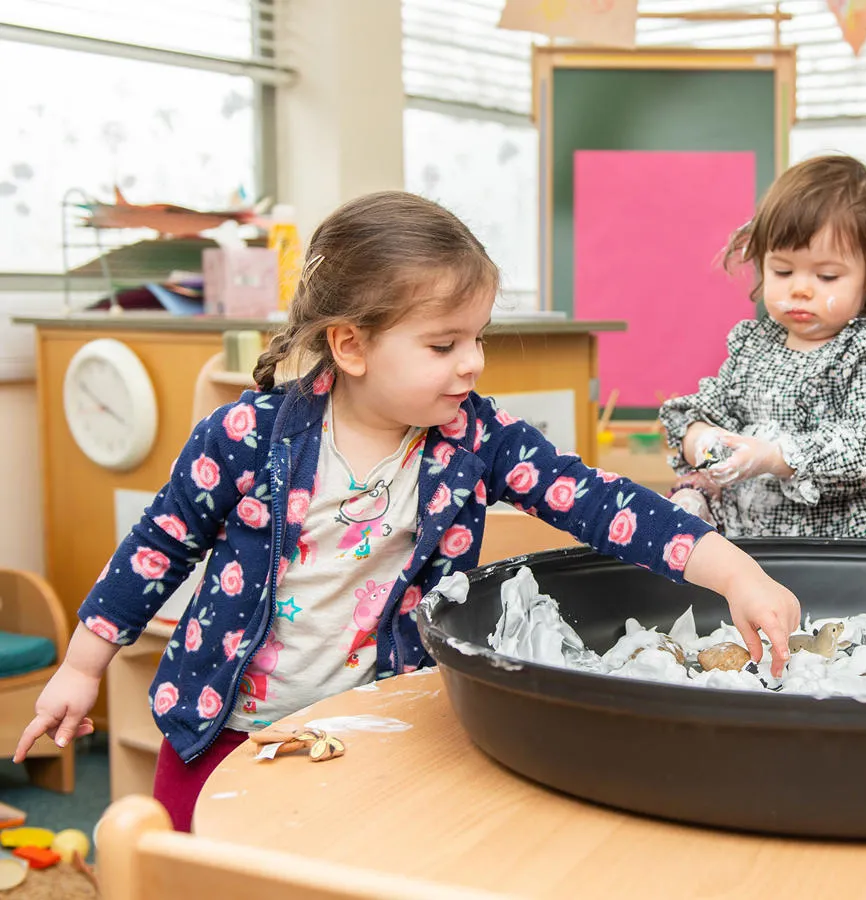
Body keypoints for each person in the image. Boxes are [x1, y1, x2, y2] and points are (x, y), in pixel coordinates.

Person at [12, 192, 800, 830]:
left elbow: (604, 504)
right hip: (218, 729)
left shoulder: (476, 439)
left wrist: (734, 573)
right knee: (196, 876)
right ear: (350, 346)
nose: (474, 362)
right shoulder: (246, 436)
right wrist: (84, 664)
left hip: (374, 733)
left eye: (478, 338)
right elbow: (156, 548)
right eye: (443, 344)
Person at [659, 154, 866, 538]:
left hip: (834, 548)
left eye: (827, 275)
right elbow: (705, 411)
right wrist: (700, 438)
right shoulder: (755, 344)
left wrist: (777, 457)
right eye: (782, 271)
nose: (800, 288)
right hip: (748, 541)